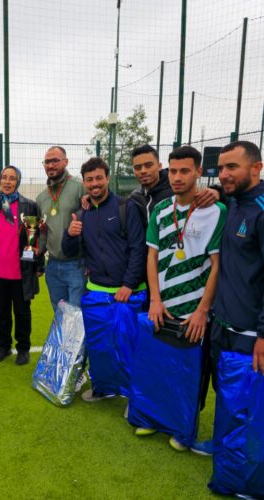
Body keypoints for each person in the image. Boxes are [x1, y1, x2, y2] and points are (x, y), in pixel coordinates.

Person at [138, 145, 227, 451]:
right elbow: (152, 256)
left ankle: (183, 428)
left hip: (195, 309)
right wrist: (155, 299)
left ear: (198, 172)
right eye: (173, 171)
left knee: (190, 374)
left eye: (185, 171)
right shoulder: (161, 210)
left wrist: (203, 310)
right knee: (160, 366)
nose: (177, 177)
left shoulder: (217, 211)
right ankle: (155, 418)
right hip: (162, 305)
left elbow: (217, 265)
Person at [62, 157, 146, 401]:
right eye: (89, 180)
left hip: (127, 293)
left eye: (99, 178)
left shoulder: (126, 207)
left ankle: (133, 398)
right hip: (96, 291)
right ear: (84, 183)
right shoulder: (82, 214)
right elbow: (70, 252)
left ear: (108, 178)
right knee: (99, 347)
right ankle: (102, 387)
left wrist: (128, 284)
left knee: (129, 346)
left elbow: (138, 249)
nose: (95, 183)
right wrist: (69, 234)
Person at [0, 166, 42, 365]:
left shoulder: (29, 206)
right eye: (4, 177)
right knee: (1, 313)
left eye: (12, 178)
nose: (7, 181)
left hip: (20, 272)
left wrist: (39, 265)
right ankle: (3, 346)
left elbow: (35, 238)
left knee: (22, 313)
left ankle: (23, 348)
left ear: (18, 182)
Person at [212, 140, 264, 373]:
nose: (224, 174)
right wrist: (216, 191)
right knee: (222, 391)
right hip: (222, 326)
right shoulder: (234, 201)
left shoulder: (261, 210)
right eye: (221, 168)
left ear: (256, 168)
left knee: (248, 397)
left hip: (251, 335)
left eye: (232, 167)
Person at [36, 146, 86, 311]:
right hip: (52, 266)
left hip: (76, 265)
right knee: (60, 315)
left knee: (76, 317)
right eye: (47, 162)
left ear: (66, 162)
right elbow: (43, 233)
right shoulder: (41, 198)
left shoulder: (80, 187)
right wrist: (37, 253)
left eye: (55, 161)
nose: (50, 165)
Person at [129, 144, 222, 227]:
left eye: (148, 165)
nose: (143, 171)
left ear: (159, 166)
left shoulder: (178, 189)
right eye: (138, 168)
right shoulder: (135, 197)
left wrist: (218, 191)